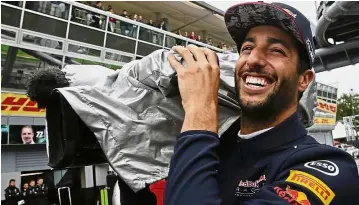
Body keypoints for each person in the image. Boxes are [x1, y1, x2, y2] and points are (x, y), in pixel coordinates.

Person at [164, 2, 359, 205]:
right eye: (247, 48)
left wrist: (199, 110)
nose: (254, 59)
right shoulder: (212, 147)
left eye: (276, 50)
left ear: (304, 80)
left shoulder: (330, 169)